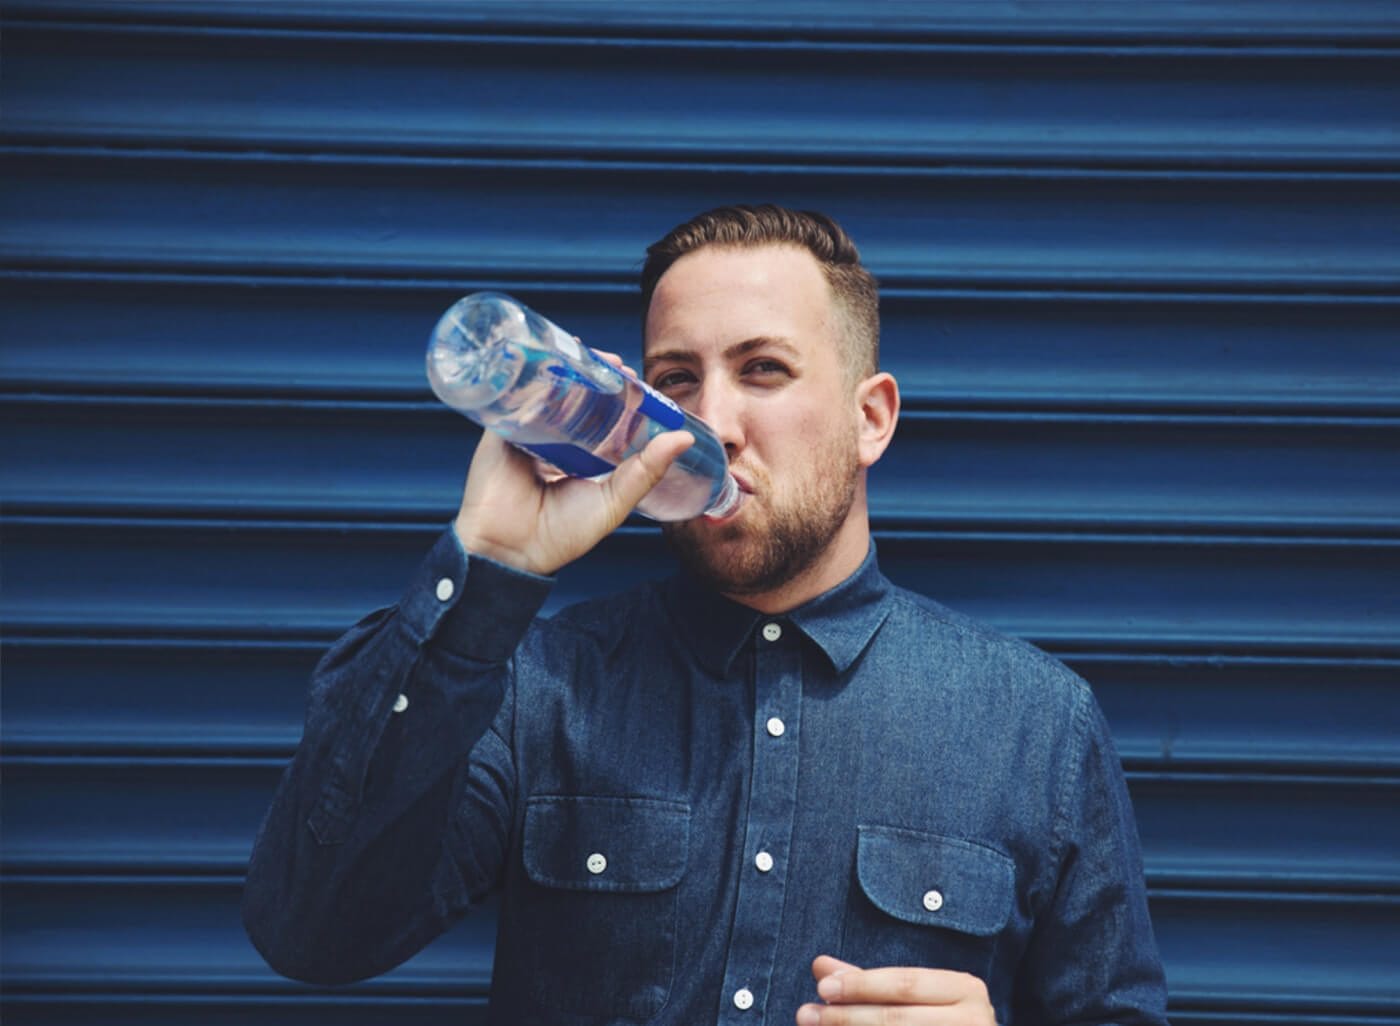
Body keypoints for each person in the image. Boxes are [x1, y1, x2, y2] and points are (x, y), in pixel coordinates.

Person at [243, 204, 1168, 1024]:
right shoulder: (536, 687)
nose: (711, 425)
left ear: (871, 420)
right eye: (676, 380)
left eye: (763, 369)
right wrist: (490, 564)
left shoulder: (1038, 725)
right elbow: (311, 931)